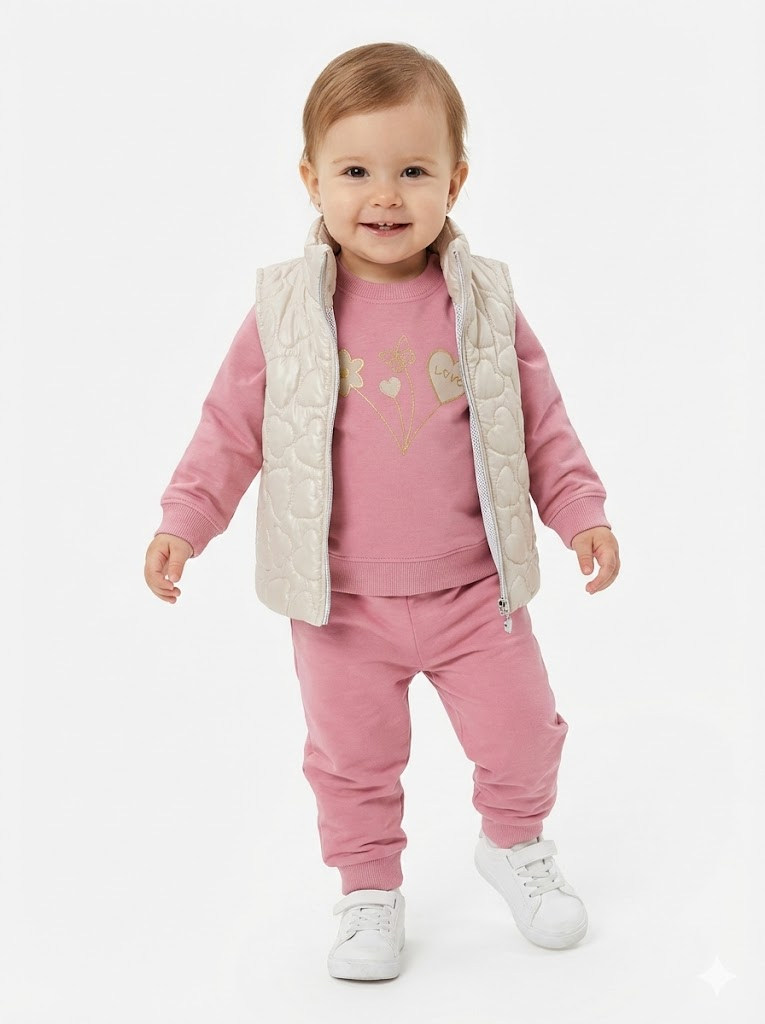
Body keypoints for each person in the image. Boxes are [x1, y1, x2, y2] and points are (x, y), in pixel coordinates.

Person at [144, 41, 621, 982]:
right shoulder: (286, 310)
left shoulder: (482, 301)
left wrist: (579, 508)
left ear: (455, 180)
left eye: (413, 171)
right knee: (351, 761)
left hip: (475, 593)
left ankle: (514, 844)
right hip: (340, 606)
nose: (385, 197)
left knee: (524, 732)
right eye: (356, 172)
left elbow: (538, 421)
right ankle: (367, 891)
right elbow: (230, 427)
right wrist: (184, 518)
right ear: (311, 180)